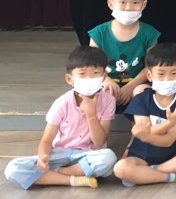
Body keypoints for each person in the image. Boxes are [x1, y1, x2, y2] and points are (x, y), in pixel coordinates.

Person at [5, 46, 117, 189]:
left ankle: (59, 174)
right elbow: (46, 140)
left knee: (108, 158)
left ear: (104, 76)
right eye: (82, 74)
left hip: (88, 155)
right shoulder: (62, 103)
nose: (89, 79)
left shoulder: (108, 100)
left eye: (95, 73)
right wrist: (43, 156)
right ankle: (75, 180)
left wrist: (91, 114)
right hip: (60, 154)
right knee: (13, 169)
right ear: (69, 79)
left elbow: (99, 141)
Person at [113, 43, 176, 186]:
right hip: (140, 156)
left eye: (174, 73)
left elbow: (168, 140)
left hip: (172, 157)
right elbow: (143, 131)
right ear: (149, 75)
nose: (167, 79)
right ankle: (174, 177)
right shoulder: (142, 99)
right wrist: (170, 123)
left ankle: (148, 174)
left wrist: (147, 135)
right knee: (120, 168)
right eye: (161, 74)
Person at [88, 0, 160, 106]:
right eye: (122, 2)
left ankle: (139, 119)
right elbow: (92, 65)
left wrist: (130, 87)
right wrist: (107, 81)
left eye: (135, 2)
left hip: (137, 84)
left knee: (142, 92)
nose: (128, 8)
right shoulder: (98, 33)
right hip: (104, 82)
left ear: (144, 5)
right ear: (111, 4)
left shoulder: (150, 34)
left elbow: (151, 67)